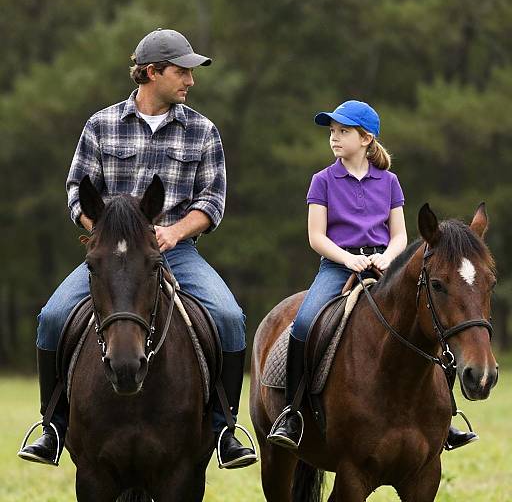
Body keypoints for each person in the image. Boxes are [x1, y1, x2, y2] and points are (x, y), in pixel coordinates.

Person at [18, 28, 257, 470]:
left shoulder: (203, 131)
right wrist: (107, 234)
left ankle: (225, 429)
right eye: (182, 71)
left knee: (229, 318)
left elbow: (212, 201)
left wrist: (175, 231)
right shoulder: (100, 125)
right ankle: (52, 427)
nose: (191, 80)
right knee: (51, 318)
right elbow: (76, 194)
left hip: (176, 250)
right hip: (110, 256)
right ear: (151, 72)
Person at [266, 100, 478, 451]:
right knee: (304, 324)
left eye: (343, 132)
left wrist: (386, 258)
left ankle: (447, 414)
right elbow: (316, 236)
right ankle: (291, 413)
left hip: (385, 267)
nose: (334, 138)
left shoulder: (389, 182)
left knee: (432, 324)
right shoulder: (322, 181)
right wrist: (349, 260)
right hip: (337, 266)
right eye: (332, 131)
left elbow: (398, 235)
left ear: (366, 138)